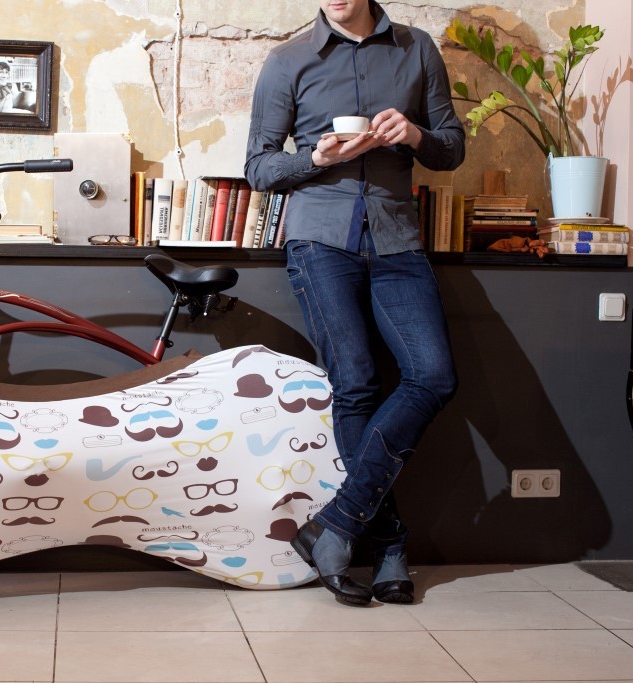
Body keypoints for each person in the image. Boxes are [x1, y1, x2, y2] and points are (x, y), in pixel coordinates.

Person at [244, 0, 465, 606]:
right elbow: (259, 167)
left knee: (433, 376)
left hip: (397, 237)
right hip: (319, 239)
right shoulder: (288, 60)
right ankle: (389, 546)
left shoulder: (417, 49)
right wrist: (316, 158)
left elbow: (451, 148)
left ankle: (335, 525)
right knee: (357, 385)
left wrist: (414, 134)